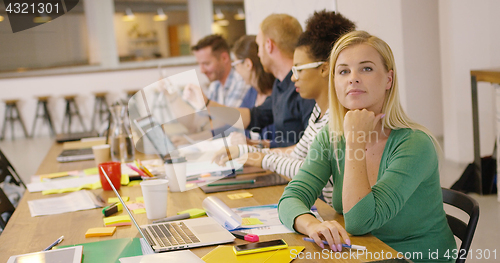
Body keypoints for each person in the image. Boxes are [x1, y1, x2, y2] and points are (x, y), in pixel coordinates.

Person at [278, 30, 456, 262]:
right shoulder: (331, 136)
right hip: (364, 252)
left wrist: (355, 141)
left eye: (367, 68)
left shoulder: (415, 144)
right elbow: (291, 197)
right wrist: (312, 226)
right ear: (334, 82)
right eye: (343, 71)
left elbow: (360, 222)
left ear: (388, 79)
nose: (353, 78)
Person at [212, 10, 356, 206]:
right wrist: (245, 150)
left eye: (298, 69)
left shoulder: (338, 119)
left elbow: (311, 170)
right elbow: (298, 156)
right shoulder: (318, 112)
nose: (293, 77)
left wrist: (254, 156)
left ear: (323, 68)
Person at [189, 14, 316, 148]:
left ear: (269, 45)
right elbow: (254, 117)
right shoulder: (280, 85)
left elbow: (308, 150)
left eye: (259, 46)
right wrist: (208, 105)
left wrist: (258, 147)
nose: (258, 54)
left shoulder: (304, 86)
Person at [192, 34, 249, 107]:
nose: (202, 71)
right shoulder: (215, 85)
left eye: (206, 64)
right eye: (199, 64)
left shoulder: (241, 81)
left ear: (224, 58)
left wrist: (205, 103)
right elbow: (208, 116)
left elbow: (230, 117)